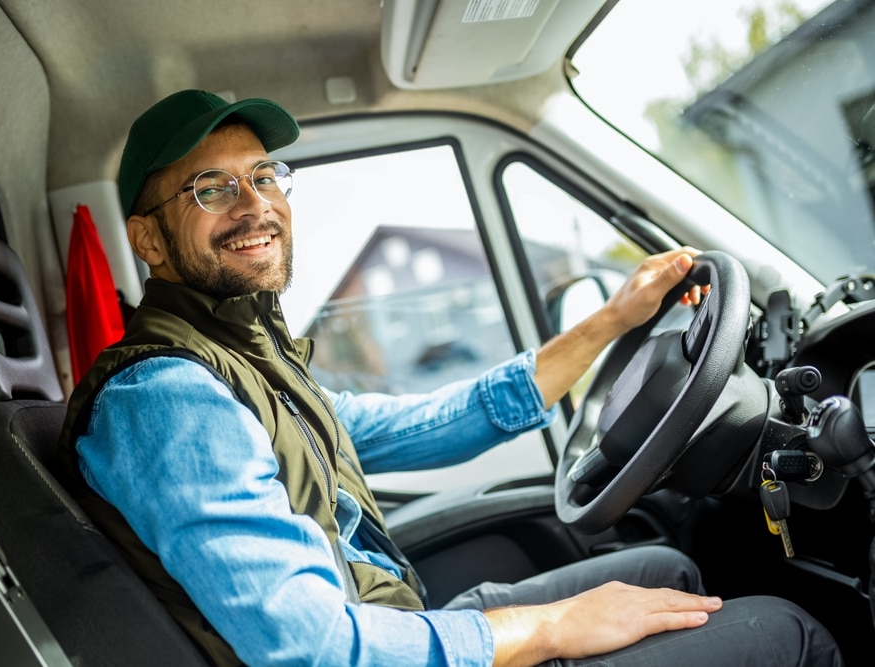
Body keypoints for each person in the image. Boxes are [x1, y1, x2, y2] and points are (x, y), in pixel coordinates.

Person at [58, 89, 842, 667]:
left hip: (393, 616)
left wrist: (612, 320)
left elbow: (441, 420)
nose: (255, 205)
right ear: (148, 239)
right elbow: (313, 647)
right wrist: (550, 627)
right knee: (792, 632)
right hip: (364, 645)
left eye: (264, 176)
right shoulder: (169, 396)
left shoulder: (248, 362)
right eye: (213, 188)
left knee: (668, 571)